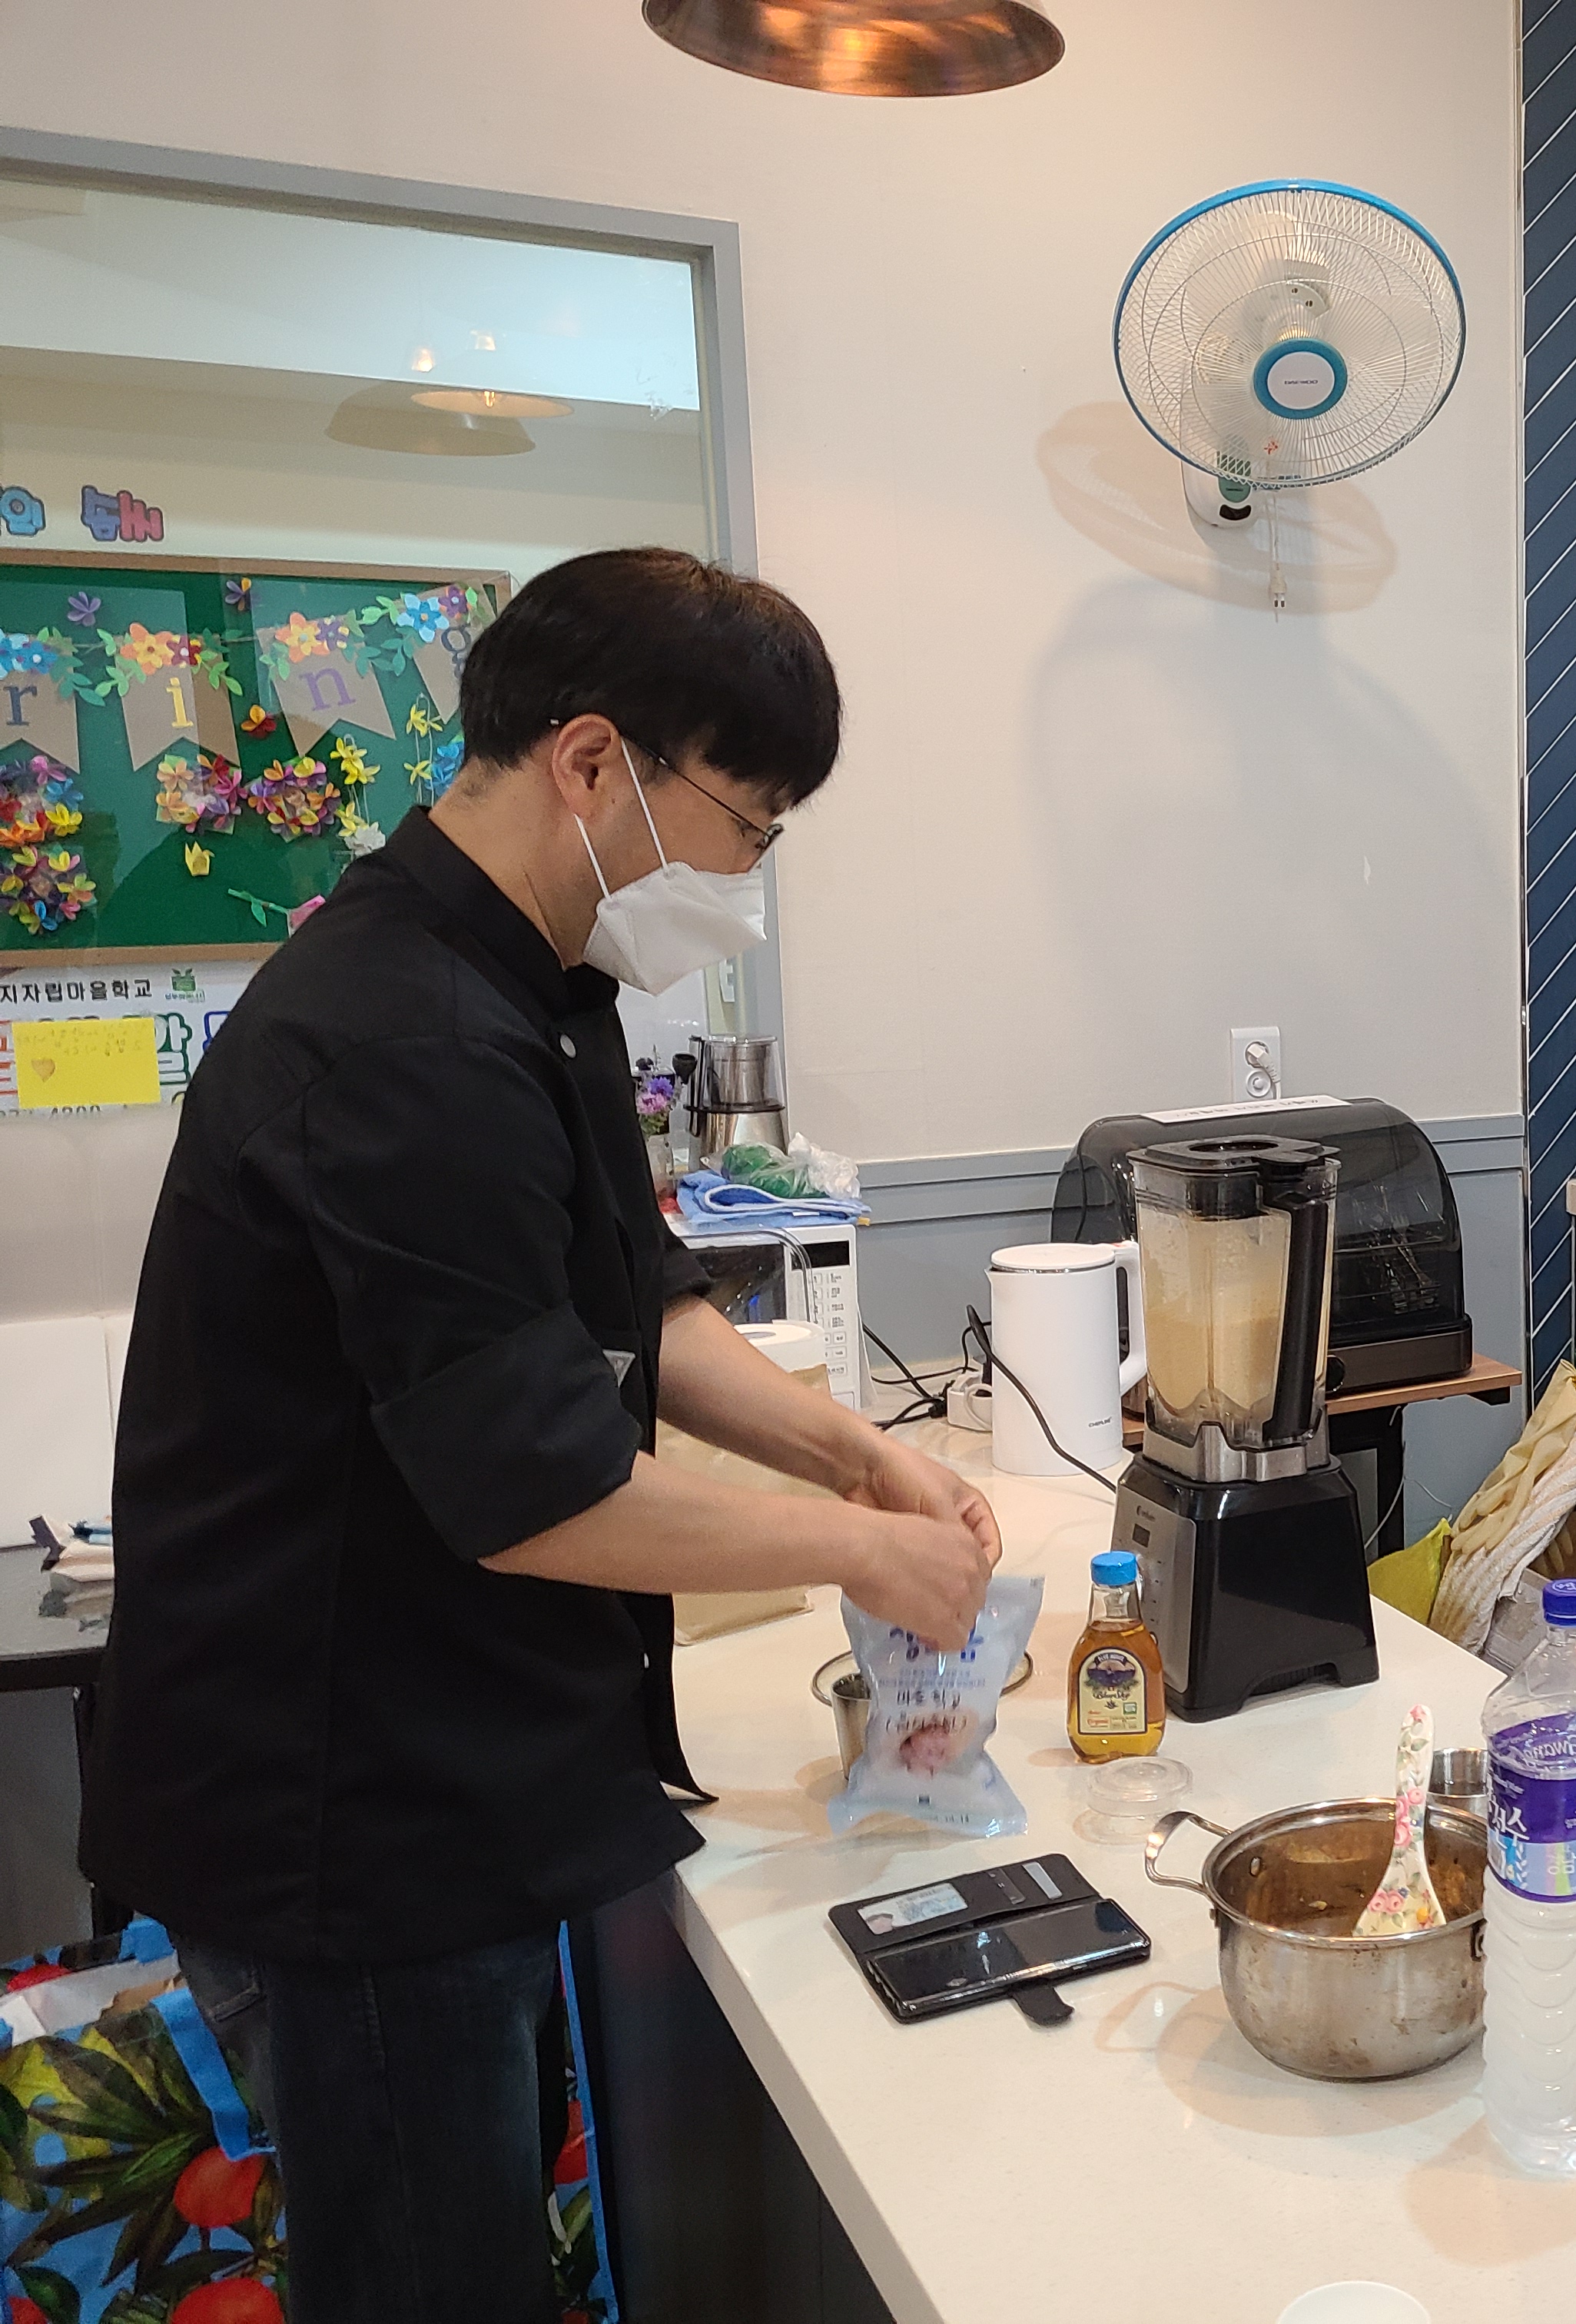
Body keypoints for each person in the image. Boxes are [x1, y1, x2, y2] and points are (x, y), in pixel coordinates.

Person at [81, 548, 1001, 2324]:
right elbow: (538, 1489)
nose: (746, 881)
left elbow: (632, 1299)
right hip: (354, 1820)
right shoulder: (405, 1037)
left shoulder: (525, 985)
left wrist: (854, 1454)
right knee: (436, 2284)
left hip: (448, 1767)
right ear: (590, 762)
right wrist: (863, 1550)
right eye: (746, 825)